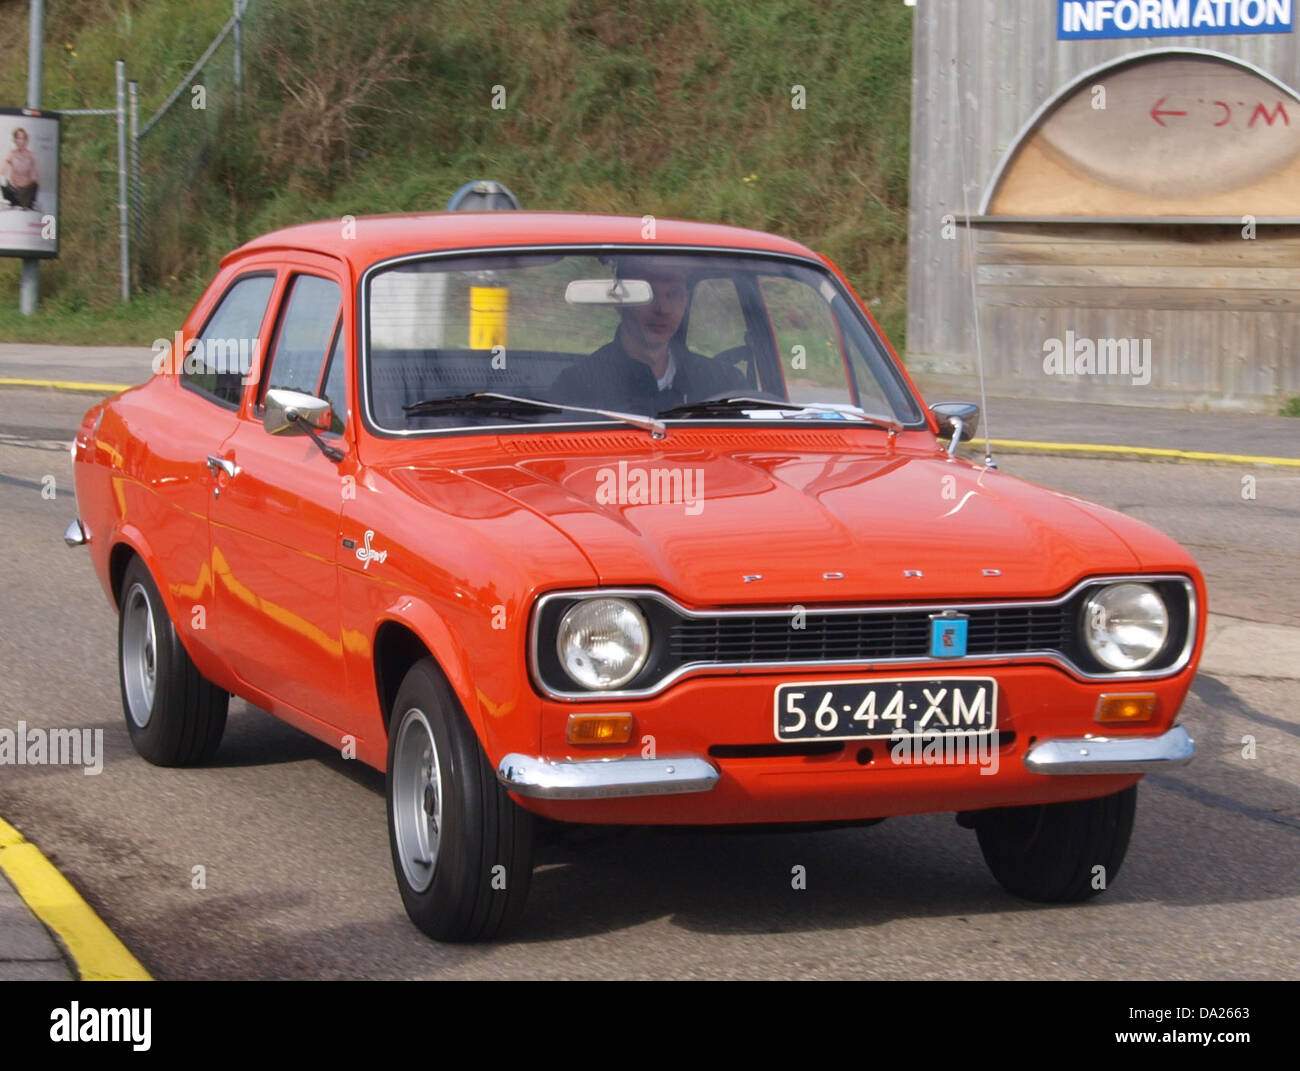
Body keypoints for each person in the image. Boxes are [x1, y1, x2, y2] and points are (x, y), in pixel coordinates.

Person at [551, 256, 744, 415]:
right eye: (647, 293)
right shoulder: (576, 387)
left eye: (673, 294)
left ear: (686, 299)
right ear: (620, 302)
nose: (663, 309)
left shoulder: (725, 384)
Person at [1, 127, 40, 210]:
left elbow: (36, 175)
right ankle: (17, 202)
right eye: (18, 138)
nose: (21, 141)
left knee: (34, 185)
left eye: (23, 139)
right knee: (4, 184)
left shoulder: (31, 155)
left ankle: (25, 203)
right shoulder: (11, 154)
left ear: (26, 141)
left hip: (26, 191)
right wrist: (3, 175)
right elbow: (3, 169)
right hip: (14, 189)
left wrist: (34, 181)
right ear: (15, 140)